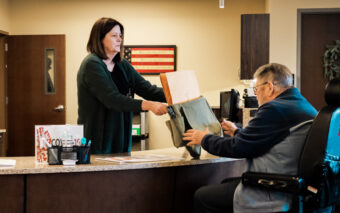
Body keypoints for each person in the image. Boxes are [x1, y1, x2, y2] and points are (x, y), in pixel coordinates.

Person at [183, 63, 317, 213]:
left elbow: (238, 148)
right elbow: (268, 138)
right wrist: (236, 132)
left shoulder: (274, 108)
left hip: (272, 190)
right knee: (226, 183)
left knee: (202, 196)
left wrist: (204, 139)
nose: (256, 94)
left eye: (256, 89)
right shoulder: (302, 105)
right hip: (291, 187)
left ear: (269, 87)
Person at [77, 17, 167, 154]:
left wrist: (179, 95)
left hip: (121, 135)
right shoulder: (91, 64)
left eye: (120, 36)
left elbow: (147, 89)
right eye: (114, 36)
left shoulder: (122, 64)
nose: (119, 39)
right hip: (98, 138)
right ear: (99, 38)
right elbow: (112, 99)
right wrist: (150, 105)